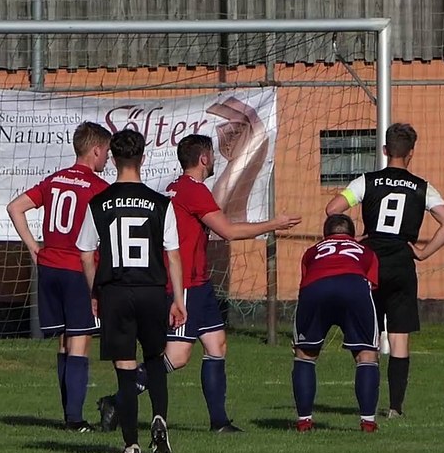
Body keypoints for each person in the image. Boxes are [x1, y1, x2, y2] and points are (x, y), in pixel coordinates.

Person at [96, 134, 300, 433]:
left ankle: (219, 422)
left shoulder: (176, 187)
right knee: (177, 357)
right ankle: (117, 400)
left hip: (199, 283)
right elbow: (227, 231)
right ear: (204, 158)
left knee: (216, 344)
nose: (214, 160)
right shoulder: (193, 190)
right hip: (186, 284)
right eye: (212, 155)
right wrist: (274, 224)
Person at [325, 123, 444, 418]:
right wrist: (423, 252)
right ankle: (395, 407)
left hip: (370, 263)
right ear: (411, 153)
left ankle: (366, 405)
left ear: (384, 150)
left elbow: (332, 209)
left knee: (367, 337)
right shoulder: (423, 187)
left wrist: (352, 239)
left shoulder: (367, 181)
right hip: (401, 263)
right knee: (399, 338)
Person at [74, 129, 186, 453]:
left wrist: (96, 291)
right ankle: (160, 421)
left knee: (124, 366)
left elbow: (84, 253)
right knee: (153, 360)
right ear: (143, 159)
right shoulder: (161, 203)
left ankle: (130, 444)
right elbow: (174, 254)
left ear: (112, 159)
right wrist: (178, 299)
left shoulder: (99, 203)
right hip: (152, 290)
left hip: (117, 291)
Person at [6, 122, 111, 433]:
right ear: (95, 150)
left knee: (65, 342)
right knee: (80, 342)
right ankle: (75, 420)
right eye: (105, 152)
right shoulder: (98, 188)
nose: (106, 159)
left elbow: (15, 208)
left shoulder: (55, 180)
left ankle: (69, 414)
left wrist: (34, 247)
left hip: (49, 266)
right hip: (77, 269)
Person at [292, 214, 381, 432]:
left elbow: (305, 280)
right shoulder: (366, 252)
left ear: (325, 235)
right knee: (367, 355)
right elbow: (372, 285)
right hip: (354, 287)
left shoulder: (312, 251)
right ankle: (368, 422)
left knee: (305, 354)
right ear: (353, 235)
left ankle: (304, 421)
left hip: (316, 288)